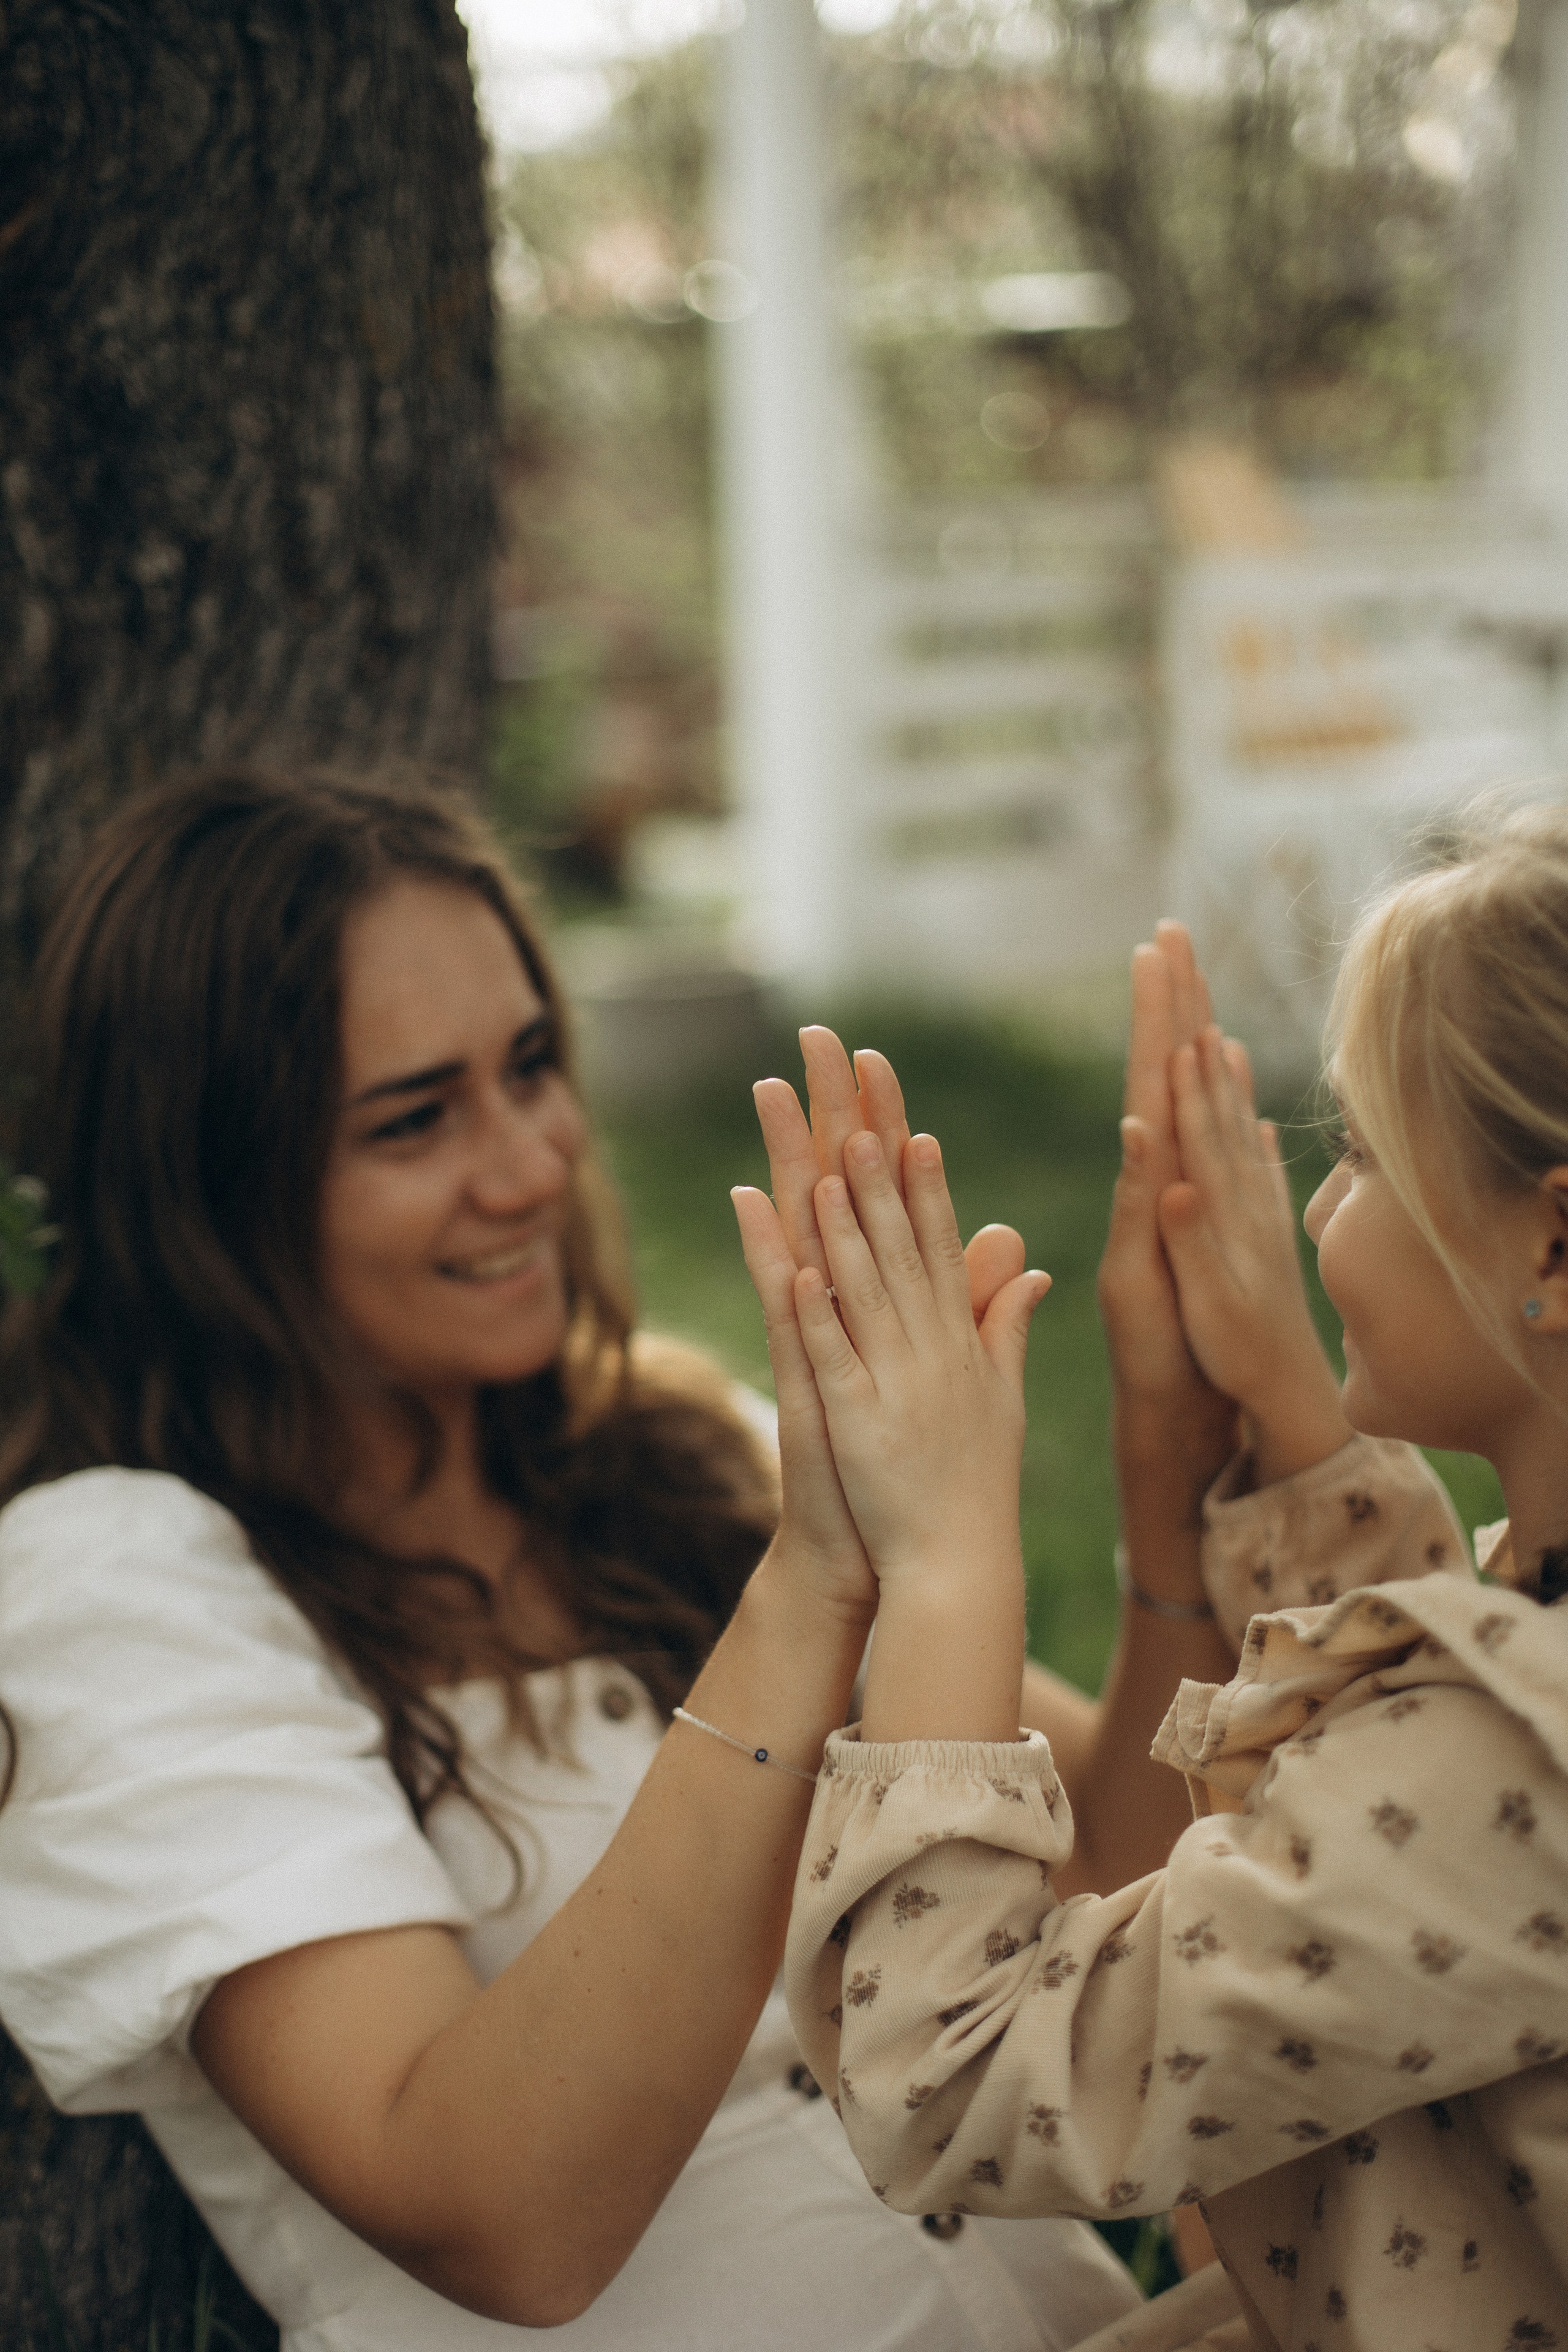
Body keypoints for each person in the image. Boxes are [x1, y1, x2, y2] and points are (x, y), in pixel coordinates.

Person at [0, 767, 1195, 2352]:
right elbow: (504, 2213)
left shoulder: (663, 1446)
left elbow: (1121, 1868)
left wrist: (1175, 1453)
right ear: (208, 1189)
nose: (531, 1163)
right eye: (415, 1119)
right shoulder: (112, 1580)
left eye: (533, 1066)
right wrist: (815, 1579)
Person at [782, 810, 1568, 2348]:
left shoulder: (1520, 1775)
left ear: (1552, 1239)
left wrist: (944, 1552)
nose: (1322, 1210)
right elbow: (1436, 1761)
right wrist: (1282, 1401)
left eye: (1355, 1151)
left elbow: (953, 2081)